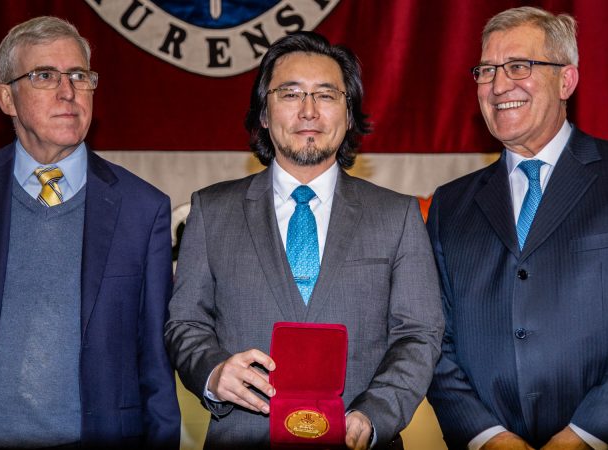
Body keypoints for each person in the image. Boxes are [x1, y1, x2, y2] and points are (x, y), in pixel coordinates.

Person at [426, 6, 608, 450]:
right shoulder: (449, 206)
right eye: (486, 70)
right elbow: (434, 337)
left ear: (566, 80)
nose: (498, 85)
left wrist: (584, 437)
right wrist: (487, 437)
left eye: (519, 66)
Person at [164, 31, 444, 449]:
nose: (309, 110)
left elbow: (419, 334)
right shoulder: (211, 211)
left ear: (349, 115)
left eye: (326, 95)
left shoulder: (398, 216)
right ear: (264, 112)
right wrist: (213, 372)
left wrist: (374, 415)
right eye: (291, 94)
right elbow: (185, 323)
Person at [0, 16, 180, 448]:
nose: (68, 91)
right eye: (44, 76)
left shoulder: (142, 209)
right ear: (7, 98)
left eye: (79, 76)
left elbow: (155, 364)